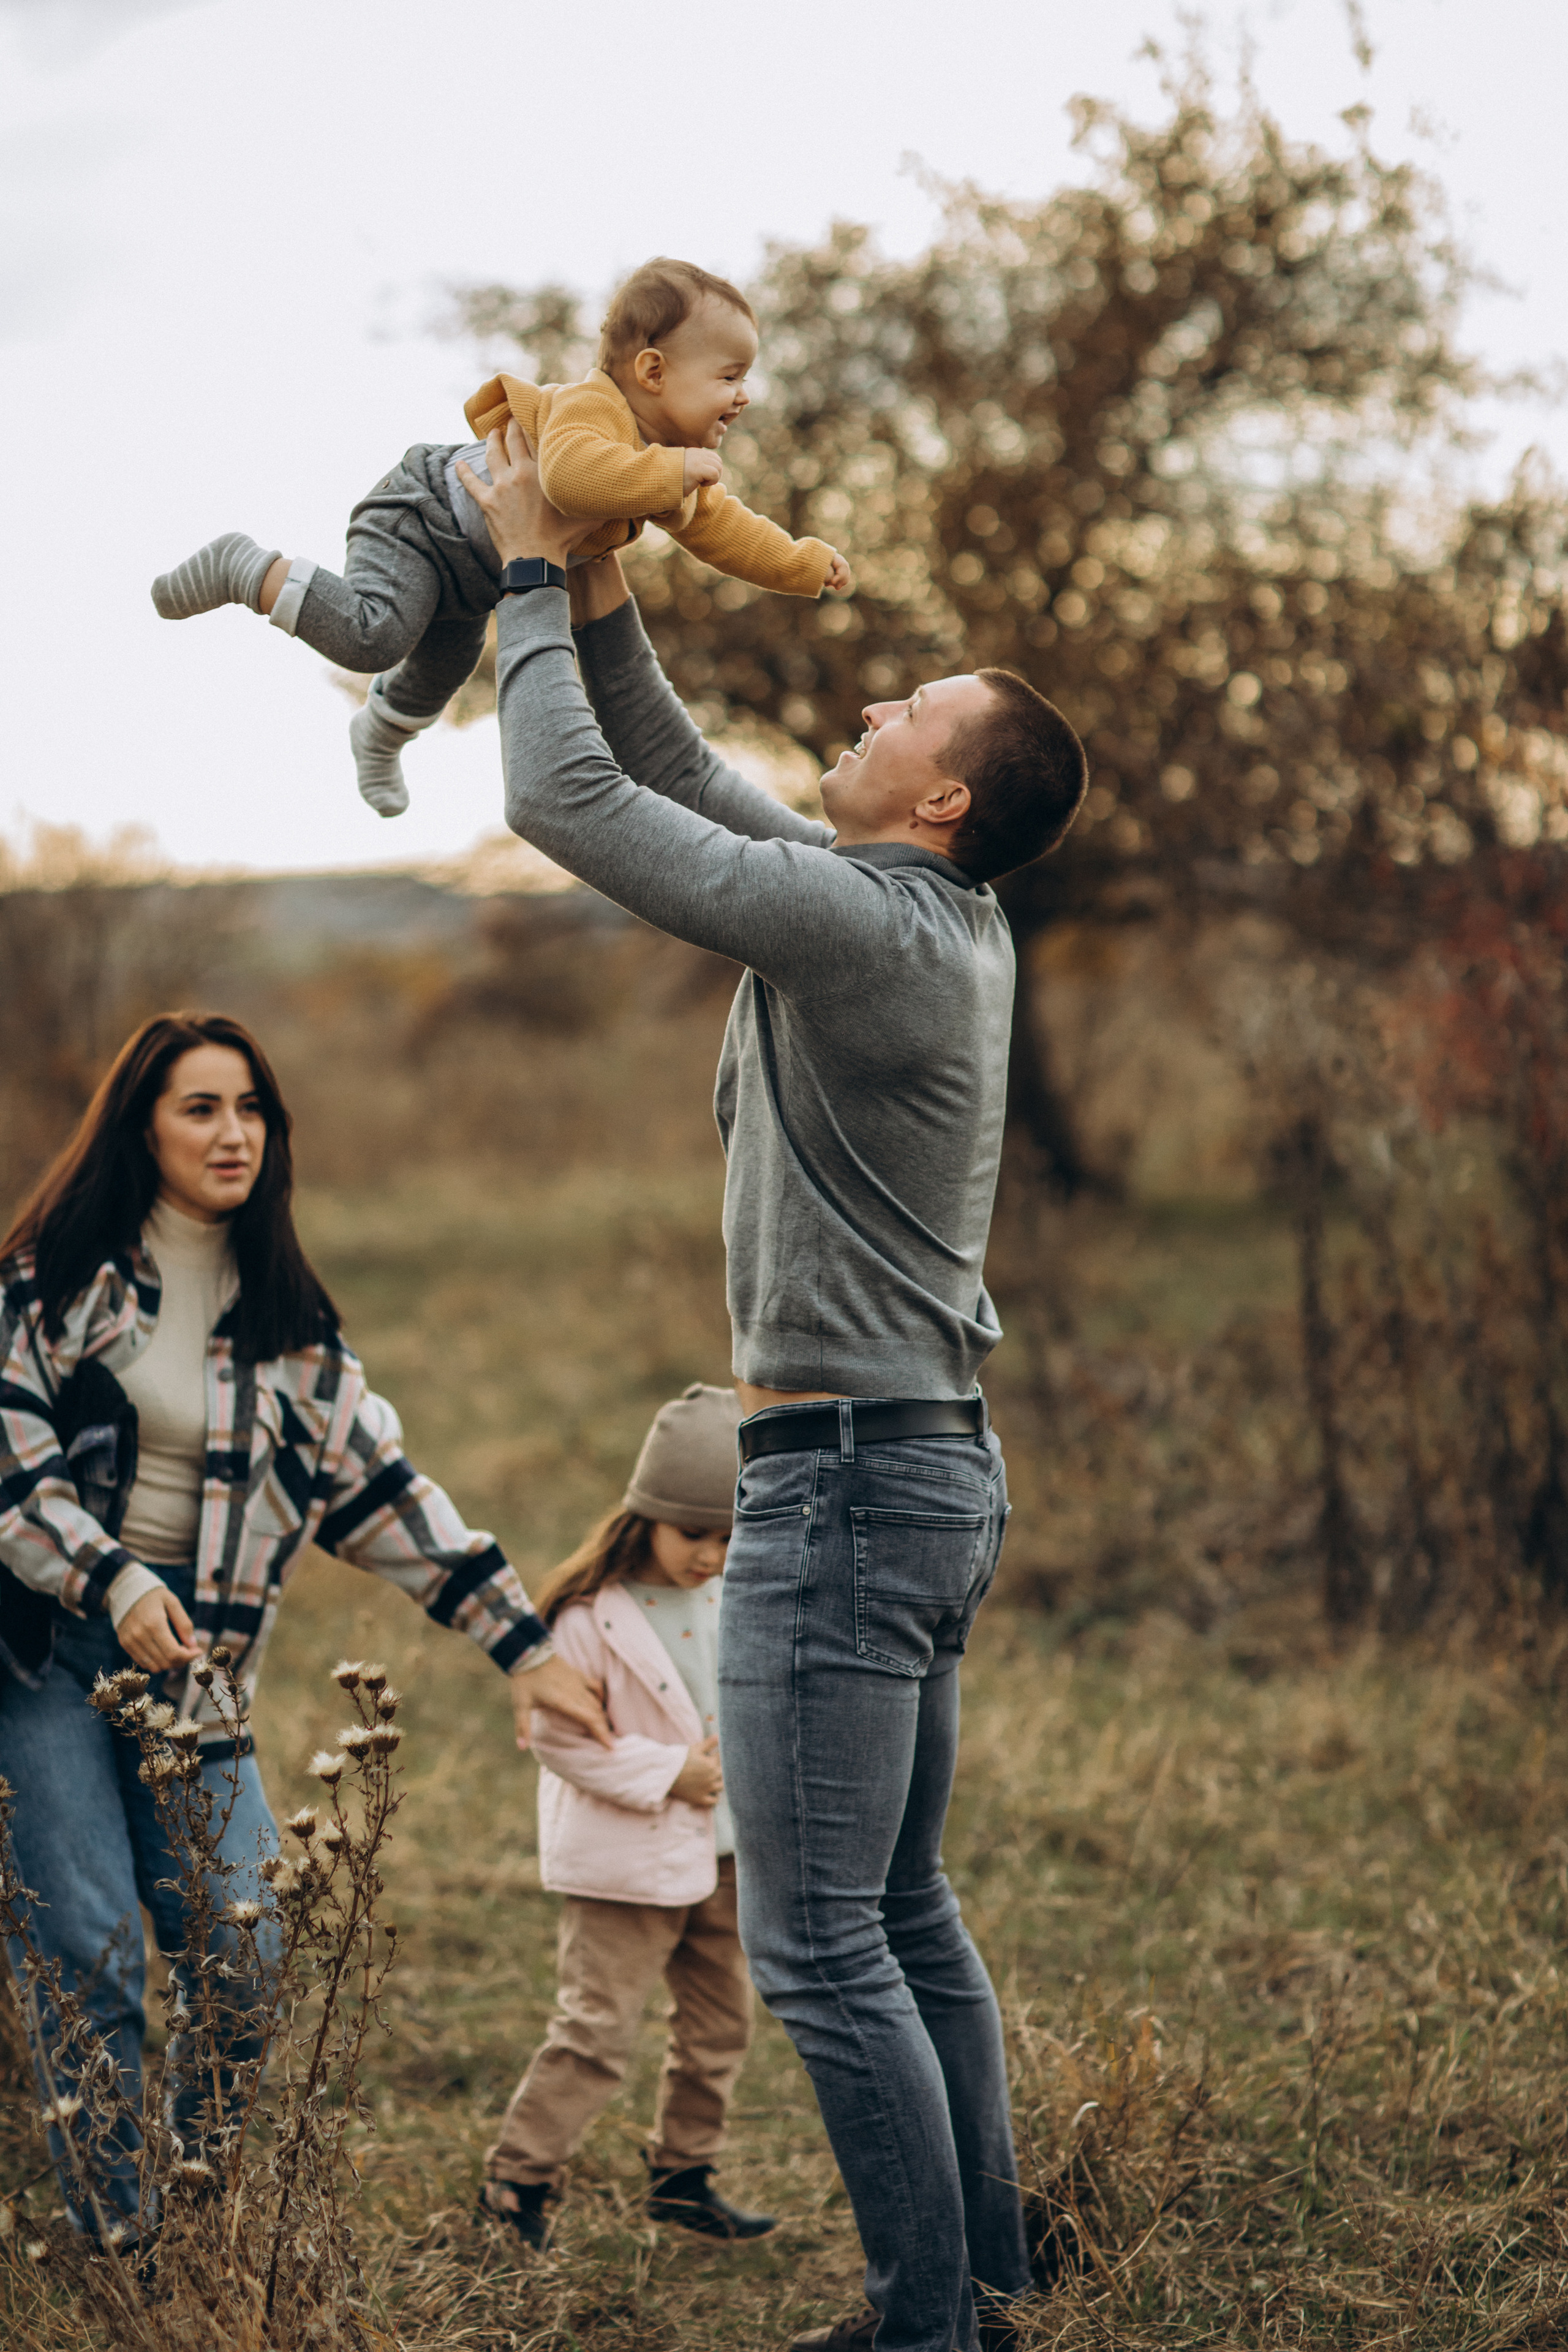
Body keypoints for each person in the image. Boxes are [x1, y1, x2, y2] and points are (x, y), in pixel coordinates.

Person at [456, 422, 1090, 2352]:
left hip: (840, 1486)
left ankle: (926, 2328)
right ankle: (976, 2275)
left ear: (944, 791)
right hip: (920, 1465)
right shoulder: (892, 911)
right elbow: (659, 760)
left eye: (910, 703)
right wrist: (590, 571)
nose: (873, 696)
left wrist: (501, 566)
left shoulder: (860, 927)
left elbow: (567, 793)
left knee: (818, 1940)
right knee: (900, 1911)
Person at [0, 1011, 610, 2238]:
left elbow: (384, 1497)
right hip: (47, 1658)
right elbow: (13, 1478)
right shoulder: (52, 1286)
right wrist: (114, 1580)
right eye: (200, 1108)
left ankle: (197, 2208)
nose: (234, 1134)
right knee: (96, 1956)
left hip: (195, 1673)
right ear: (142, 1127)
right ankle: (124, 2248)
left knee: (246, 1953)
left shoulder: (291, 1327)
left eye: (252, 1109)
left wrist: (524, 1647)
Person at [148, 257, 850, 820]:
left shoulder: (656, 463)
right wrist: (673, 470)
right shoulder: (592, 410)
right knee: (374, 637)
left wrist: (801, 563)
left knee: (436, 675)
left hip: (474, 572)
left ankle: (380, 733)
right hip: (420, 516)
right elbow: (575, 480)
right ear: (654, 372)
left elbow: (725, 532)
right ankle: (249, 568)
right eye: (729, 377)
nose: (744, 396)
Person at [480, 1382, 777, 2251]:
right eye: (695, 1534)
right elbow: (556, 1738)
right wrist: (664, 1773)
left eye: (730, 1536)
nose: (711, 1556)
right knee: (596, 2032)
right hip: (627, 1868)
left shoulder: (737, 1597)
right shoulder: (585, 1621)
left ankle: (685, 2177)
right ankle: (516, 2185)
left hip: (725, 1858)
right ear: (646, 1513)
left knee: (721, 2027)